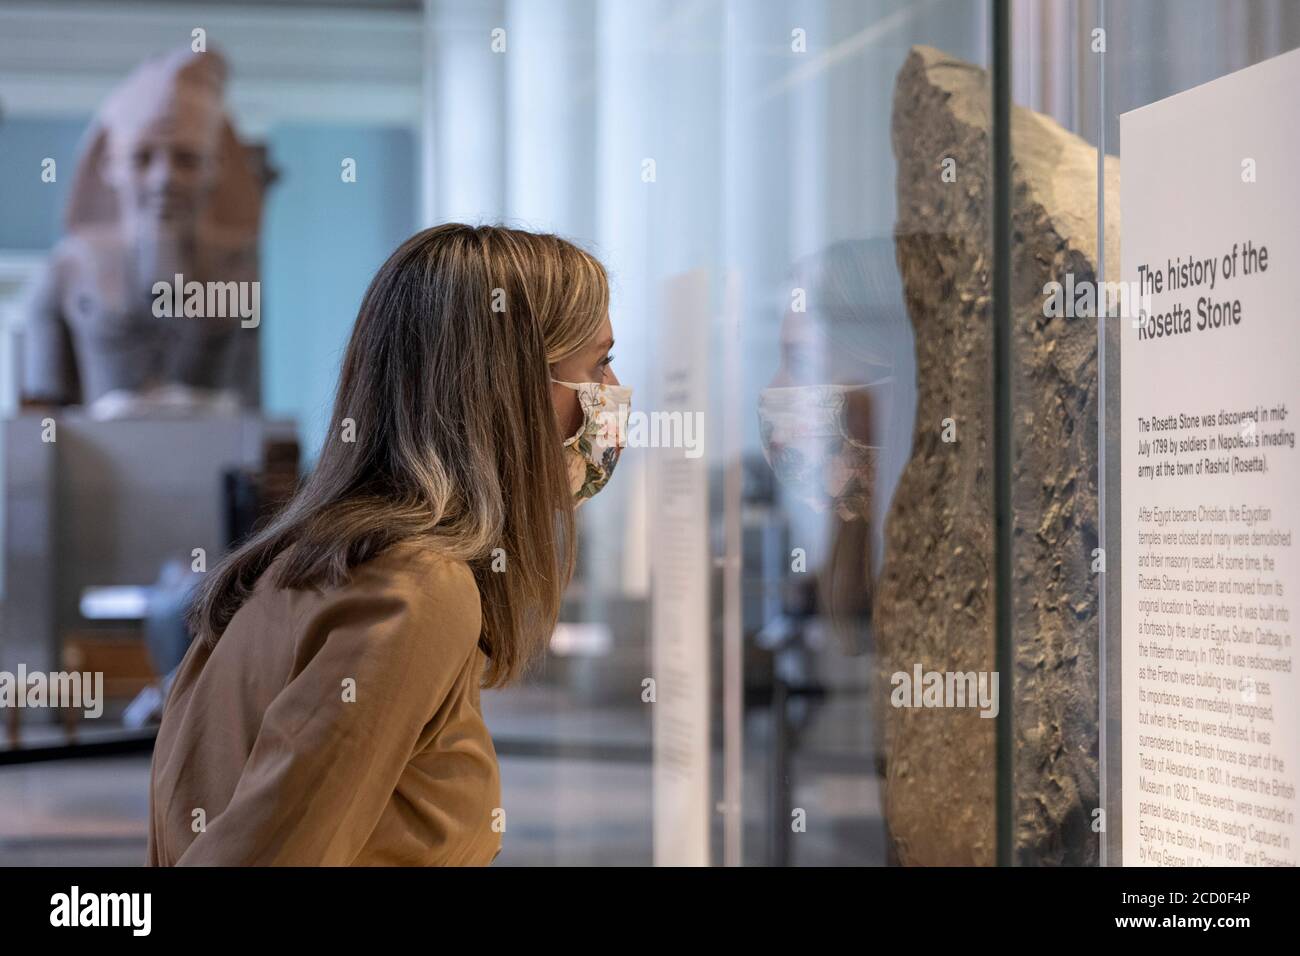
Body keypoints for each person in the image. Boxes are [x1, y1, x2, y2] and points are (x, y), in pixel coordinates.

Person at [147, 223, 630, 866]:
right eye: (598, 363)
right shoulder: (415, 587)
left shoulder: (314, 561)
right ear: (511, 386)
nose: (613, 391)